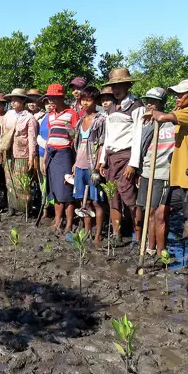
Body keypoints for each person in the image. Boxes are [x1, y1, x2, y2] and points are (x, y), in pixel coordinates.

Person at [146, 79, 188, 273]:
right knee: (159, 213)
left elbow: (164, 118)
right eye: (176, 95)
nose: (177, 98)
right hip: (176, 177)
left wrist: (155, 113)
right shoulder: (184, 112)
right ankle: (161, 254)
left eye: (182, 94)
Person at [96, 68, 144, 244]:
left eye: (119, 85)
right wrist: (102, 160)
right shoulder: (110, 108)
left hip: (127, 156)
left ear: (129, 85)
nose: (116, 90)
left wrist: (133, 164)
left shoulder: (136, 106)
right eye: (113, 86)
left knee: (129, 197)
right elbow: (107, 136)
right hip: (111, 157)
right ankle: (116, 234)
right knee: (112, 196)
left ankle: (138, 237)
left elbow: (139, 136)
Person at [136, 88, 175, 259]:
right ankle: (149, 247)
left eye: (154, 101)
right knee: (147, 212)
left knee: (158, 214)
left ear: (161, 103)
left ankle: (160, 251)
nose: (149, 104)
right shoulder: (146, 123)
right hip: (147, 171)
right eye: (147, 101)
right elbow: (142, 147)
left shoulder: (171, 122)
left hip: (162, 173)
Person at [42, 84, 79, 233]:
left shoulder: (71, 113)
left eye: (54, 98)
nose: (51, 101)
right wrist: (45, 159)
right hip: (51, 154)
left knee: (67, 189)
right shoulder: (50, 115)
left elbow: (76, 137)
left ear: (61, 97)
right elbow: (50, 136)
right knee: (55, 190)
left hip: (65, 154)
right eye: (49, 98)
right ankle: (58, 220)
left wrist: (76, 161)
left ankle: (69, 224)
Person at [72, 86, 106, 242]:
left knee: (96, 201)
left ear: (95, 101)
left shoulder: (100, 120)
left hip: (93, 165)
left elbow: (102, 145)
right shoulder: (81, 121)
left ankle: (98, 234)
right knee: (83, 201)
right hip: (80, 164)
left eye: (88, 100)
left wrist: (99, 167)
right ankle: (87, 231)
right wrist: (74, 163)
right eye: (83, 100)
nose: (85, 103)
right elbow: (79, 144)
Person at [0, 89, 38, 216]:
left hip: (23, 153)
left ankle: (24, 208)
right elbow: (3, 135)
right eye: (12, 100)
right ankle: (12, 207)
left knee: (22, 181)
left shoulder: (29, 118)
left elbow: (32, 139)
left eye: (16, 100)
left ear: (23, 101)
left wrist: (32, 157)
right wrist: (0, 152)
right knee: (9, 180)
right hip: (8, 152)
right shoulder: (8, 115)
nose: (13, 102)